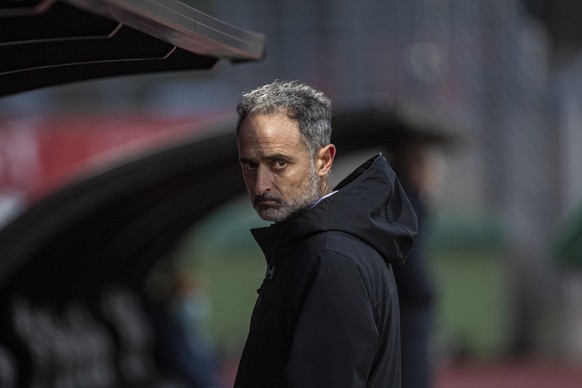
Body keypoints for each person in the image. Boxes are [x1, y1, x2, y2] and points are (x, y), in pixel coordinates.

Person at [233, 80, 418, 388]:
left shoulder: (330, 260)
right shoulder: (325, 247)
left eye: (278, 163)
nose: (260, 184)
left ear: (324, 161)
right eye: (249, 165)